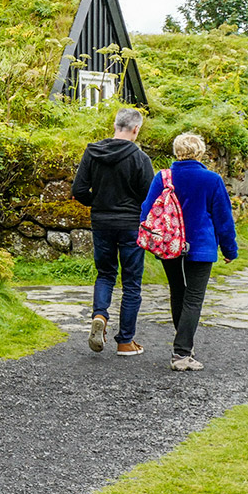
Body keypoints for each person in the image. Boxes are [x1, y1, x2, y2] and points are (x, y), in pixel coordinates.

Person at [140, 132, 237, 372]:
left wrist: (151, 238)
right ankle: (182, 352)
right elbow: (224, 218)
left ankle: (184, 346)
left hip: (169, 244)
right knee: (193, 298)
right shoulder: (212, 179)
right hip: (201, 245)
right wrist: (229, 249)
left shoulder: (163, 177)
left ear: (177, 152)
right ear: (200, 152)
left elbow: (147, 210)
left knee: (177, 291)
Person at [72, 106, 155, 356]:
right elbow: (150, 197)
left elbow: (78, 190)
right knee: (131, 282)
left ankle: (100, 316)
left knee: (105, 274)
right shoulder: (140, 158)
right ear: (136, 129)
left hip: (102, 223)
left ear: (115, 125)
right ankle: (125, 341)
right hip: (130, 225)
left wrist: (97, 204)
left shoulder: (92, 152)